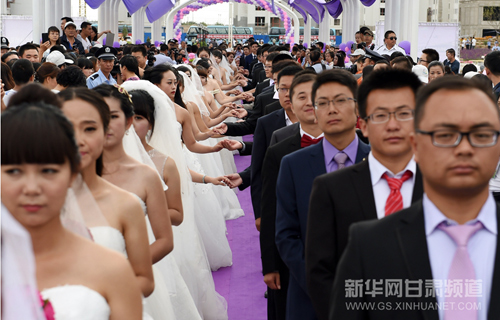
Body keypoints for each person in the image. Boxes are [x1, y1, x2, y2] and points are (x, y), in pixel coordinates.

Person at [330, 75, 500, 320]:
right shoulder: (369, 245)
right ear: (416, 145)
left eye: (481, 135)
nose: (464, 148)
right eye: (444, 135)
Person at [2, 101, 143, 319]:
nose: (31, 188)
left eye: (48, 170)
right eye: (13, 171)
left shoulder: (112, 268)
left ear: (72, 175)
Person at [305, 69, 423, 320]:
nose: (392, 125)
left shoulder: (441, 185)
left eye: (404, 114)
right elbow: (321, 272)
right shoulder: (331, 188)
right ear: (364, 125)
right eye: (381, 115)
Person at [275, 69, 370, 320]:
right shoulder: (293, 165)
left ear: (358, 107)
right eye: (323, 103)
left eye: (340, 100)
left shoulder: (378, 161)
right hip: (309, 298)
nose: (331, 109)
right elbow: (286, 234)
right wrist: (321, 285)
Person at [260, 72, 318, 320]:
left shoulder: (353, 147)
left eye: (316, 97)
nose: (309, 103)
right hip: (290, 256)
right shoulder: (279, 151)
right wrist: (270, 264)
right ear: (290, 103)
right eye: (301, 97)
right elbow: (271, 210)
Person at [250, 65, 302, 231]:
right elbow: (258, 170)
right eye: (282, 89)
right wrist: (259, 212)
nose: (287, 94)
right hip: (279, 203)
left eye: (292, 89)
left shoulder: (317, 121)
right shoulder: (266, 123)